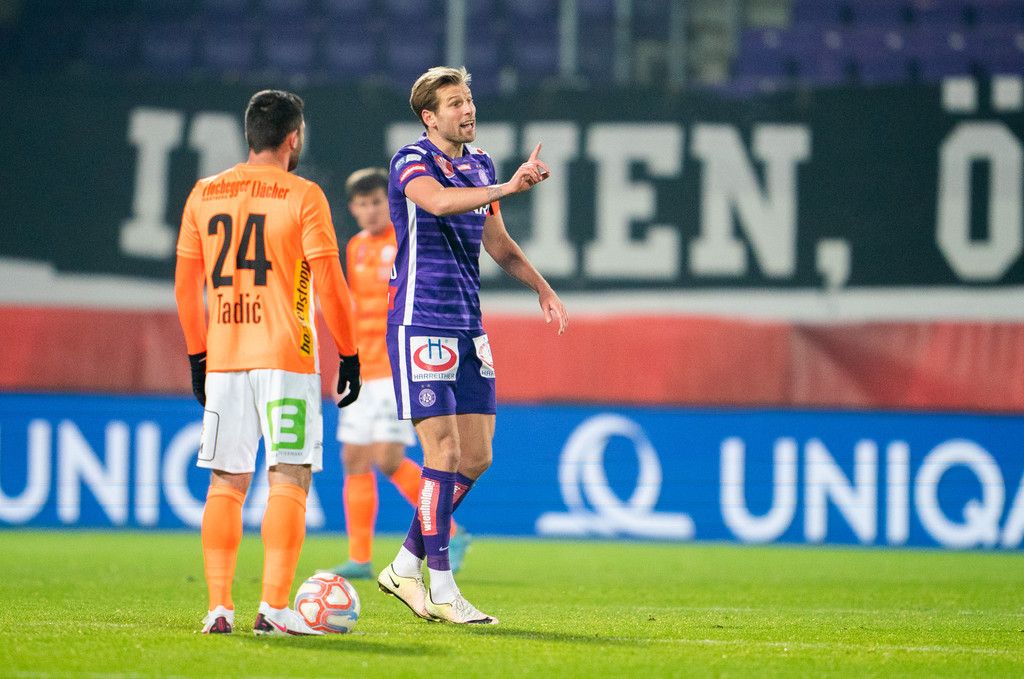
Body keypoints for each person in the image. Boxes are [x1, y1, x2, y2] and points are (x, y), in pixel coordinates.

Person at [376, 66, 567, 625]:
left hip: (467, 326)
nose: (468, 109)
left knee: (477, 457)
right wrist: (509, 187)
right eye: (455, 103)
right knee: (443, 453)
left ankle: (404, 566)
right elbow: (437, 203)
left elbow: (498, 244)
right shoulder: (410, 161)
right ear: (429, 117)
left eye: (469, 100)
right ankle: (441, 588)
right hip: (420, 323)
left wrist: (542, 286)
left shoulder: (480, 164)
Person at [174, 89, 362, 637]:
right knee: (289, 476)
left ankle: (218, 609)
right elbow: (330, 283)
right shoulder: (304, 195)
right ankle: (274, 609)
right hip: (287, 356)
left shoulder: (204, 193)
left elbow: (186, 288)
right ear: (293, 137)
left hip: (225, 357)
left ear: (248, 135)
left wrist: (198, 355)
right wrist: (349, 352)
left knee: (226, 482)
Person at [328, 168, 469, 580]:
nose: (371, 210)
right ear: (353, 209)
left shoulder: (407, 239)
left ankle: (453, 532)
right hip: (362, 369)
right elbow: (355, 311)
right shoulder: (355, 248)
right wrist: (345, 364)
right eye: (362, 204)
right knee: (353, 457)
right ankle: (359, 557)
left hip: (395, 367)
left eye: (377, 202)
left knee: (388, 458)